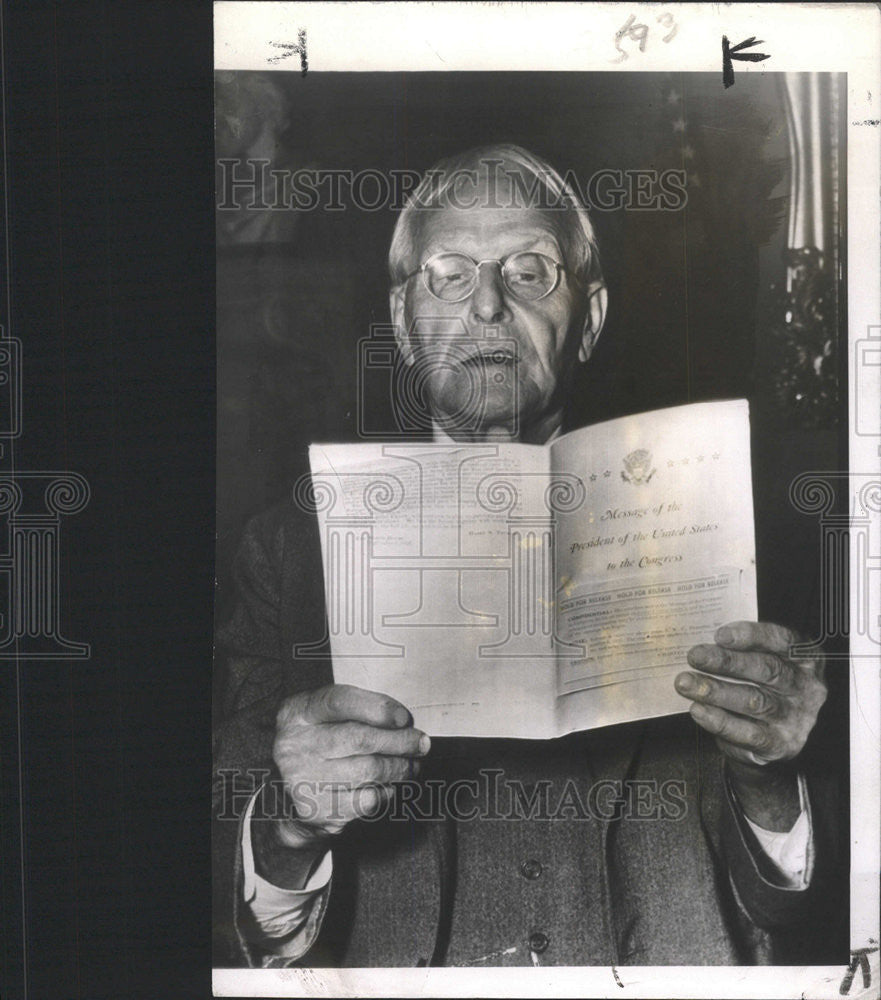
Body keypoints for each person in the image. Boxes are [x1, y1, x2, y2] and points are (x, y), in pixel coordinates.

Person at [213, 145, 842, 969]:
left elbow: (823, 917)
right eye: (447, 273)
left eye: (530, 271)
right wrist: (289, 825)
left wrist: (771, 777)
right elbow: (224, 918)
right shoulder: (286, 553)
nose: (486, 307)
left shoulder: (739, 531)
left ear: (589, 319)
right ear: (403, 324)